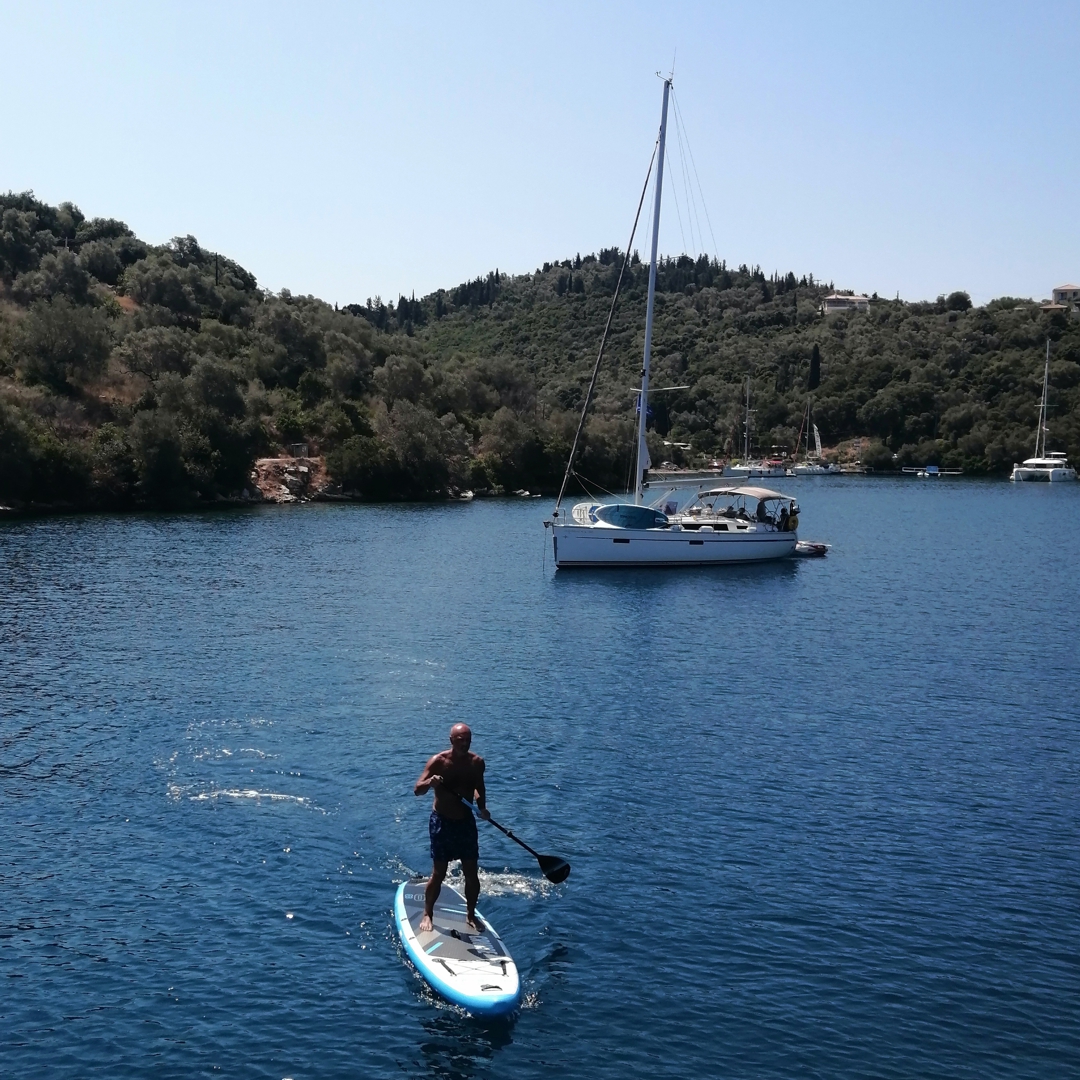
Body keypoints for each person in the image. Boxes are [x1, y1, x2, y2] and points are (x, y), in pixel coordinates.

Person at [414, 722, 490, 933]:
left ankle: (470, 915)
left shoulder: (477, 762)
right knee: (439, 873)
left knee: (471, 873)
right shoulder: (438, 761)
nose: (464, 744)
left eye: (467, 740)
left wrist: (482, 807)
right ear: (451, 741)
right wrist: (430, 782)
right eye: (460, 740)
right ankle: (428, 912)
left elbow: (479, 788)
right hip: (442, 822)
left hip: (466, 822)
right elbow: (417, 790)